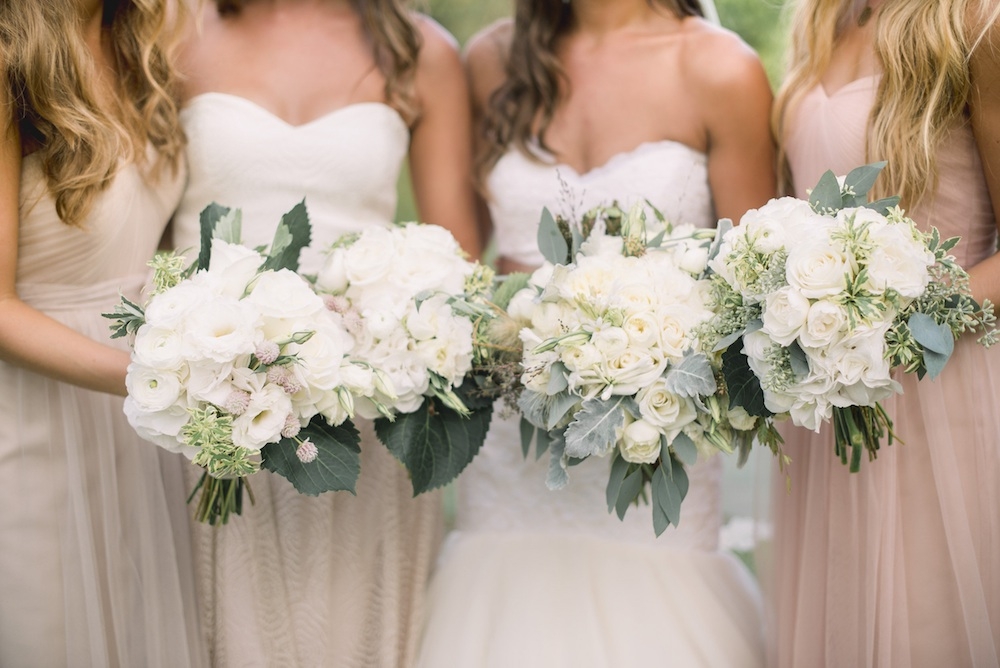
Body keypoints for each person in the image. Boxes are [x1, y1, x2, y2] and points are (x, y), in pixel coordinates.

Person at [416, 1, 776, 666]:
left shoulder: (720, 69)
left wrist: (648, 365)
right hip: (511, 442)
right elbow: (455, 271)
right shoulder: (490, 61)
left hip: (657, 437)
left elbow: (753, 297)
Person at [170, 0, 480, 665]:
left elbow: (456, 260)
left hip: (360, 418)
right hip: (203, 407)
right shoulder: (176, 31)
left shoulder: (422, 51)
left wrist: (406, 331)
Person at [768, 1, 1000, 665]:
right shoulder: (818, 19)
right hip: (825, 409)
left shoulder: (975, 22)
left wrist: (881, 326)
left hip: (935, 400)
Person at [0, 1, 206, 666]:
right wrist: (152, 379)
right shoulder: (10, 65)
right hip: (38, 420)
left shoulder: (140, 46)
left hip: (145, 432)